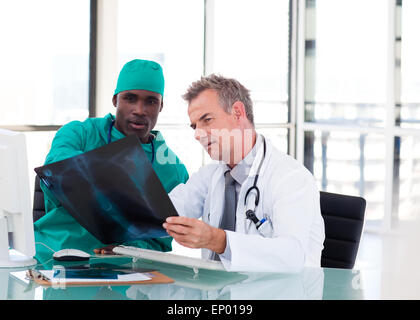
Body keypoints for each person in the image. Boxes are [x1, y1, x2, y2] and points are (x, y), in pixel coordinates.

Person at [163, 74, 325, 272]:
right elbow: (165, 212)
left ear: (238, 112)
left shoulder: (291, 177)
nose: (197, 134)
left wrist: (217, 240)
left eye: (207, 120)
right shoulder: (211, 175)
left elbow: (291, 255)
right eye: (195, 126)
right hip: (217, 295)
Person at [34, 59, 189, 260]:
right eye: (130, 98)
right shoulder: (78, 134)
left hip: (124, 270)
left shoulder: (173, 170)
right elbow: (57, 167)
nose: (140, 110)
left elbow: (160, 241)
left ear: (161, 107)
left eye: (151, 101)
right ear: (115, 100)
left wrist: (127, 250)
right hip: (55, 252)